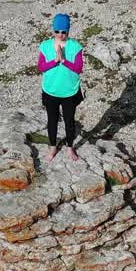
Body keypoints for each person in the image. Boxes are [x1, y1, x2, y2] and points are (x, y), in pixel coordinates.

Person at [37, 13, 84, 162]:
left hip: (69, 91)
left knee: (69, 121)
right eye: (57, 31)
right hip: (51, 90)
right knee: (52, 120)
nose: (60, 34)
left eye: (64, 32)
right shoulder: (45, 46)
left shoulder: (76, 47)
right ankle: (52, 148)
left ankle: (70, 148)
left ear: (68, 31)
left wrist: (64, 61)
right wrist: (55, 60)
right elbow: (41, 67)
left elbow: (78, 68)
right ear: (53, 30)